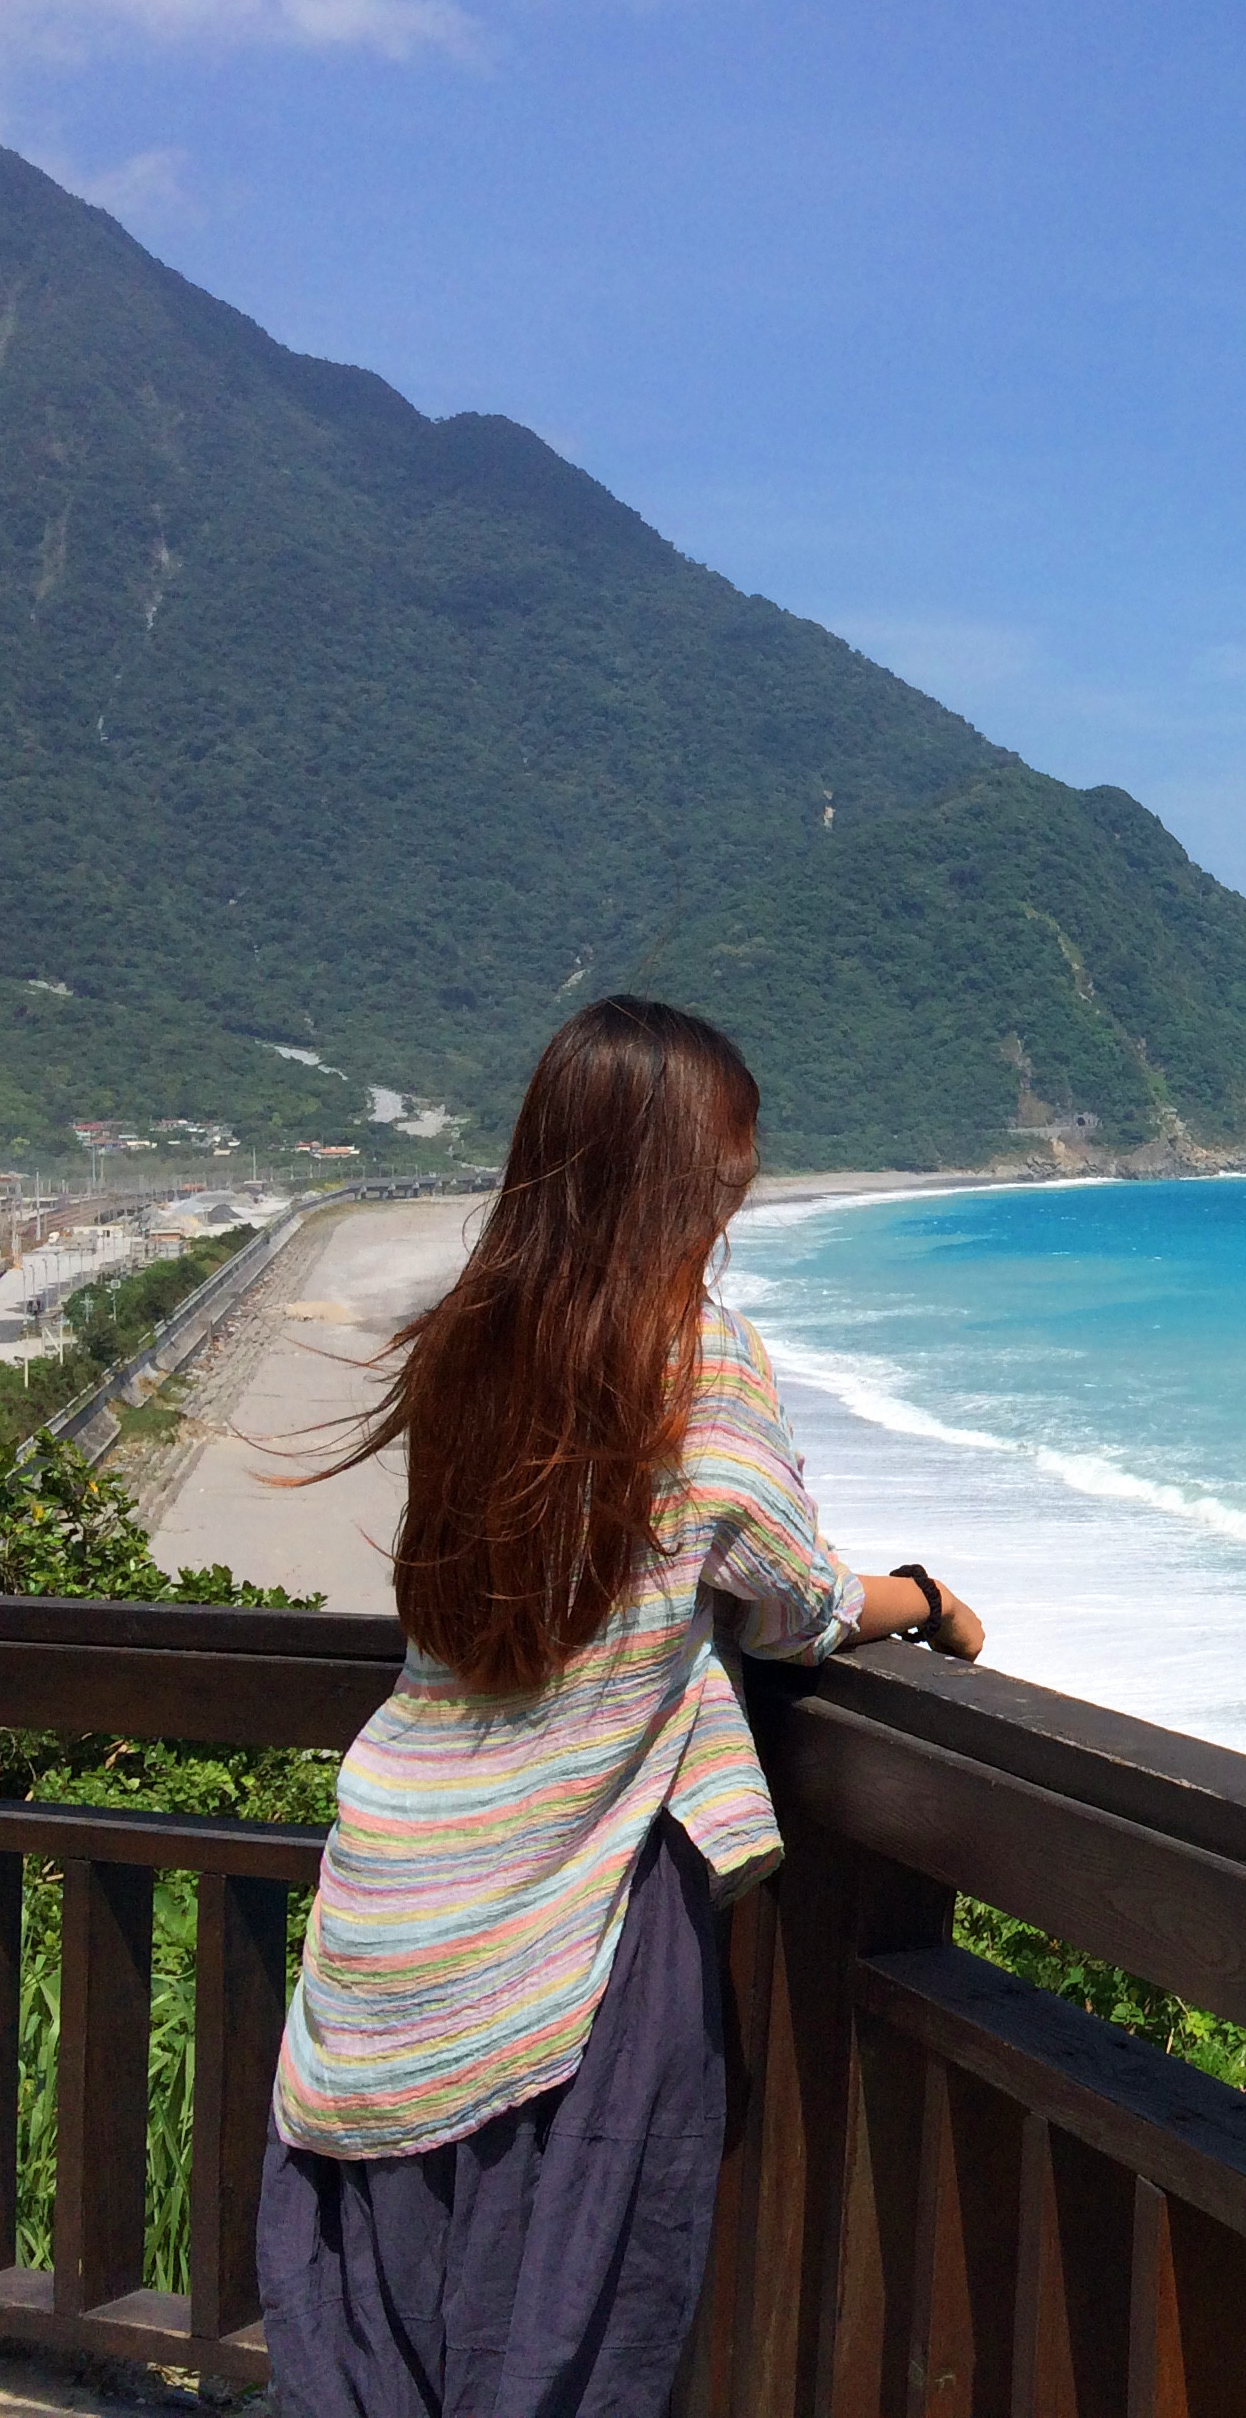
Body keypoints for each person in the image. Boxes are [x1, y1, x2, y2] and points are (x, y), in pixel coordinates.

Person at [259, 996, 986, 2417]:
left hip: (394, 1898)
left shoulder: (473, 1341)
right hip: (567, 1926)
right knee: (558, 2339)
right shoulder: (698, 1358)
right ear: (679, 1180)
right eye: (728, 1177)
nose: (737, 1204)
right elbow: (794, 1603)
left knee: (387, 2341)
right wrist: (927, 1598)